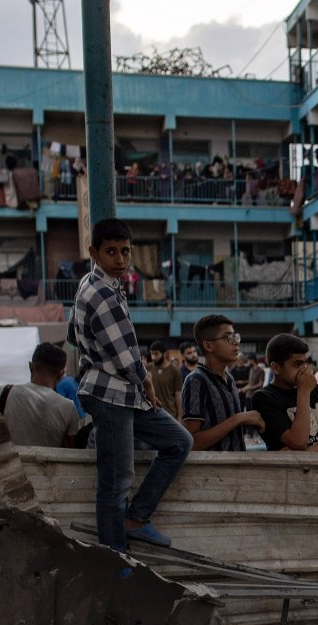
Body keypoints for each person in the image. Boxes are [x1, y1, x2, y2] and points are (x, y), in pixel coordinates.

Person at [70, 217, 189, 551]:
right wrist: (146, 381)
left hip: (123, 394)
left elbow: (73, 335)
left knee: (178, 441)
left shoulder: (95, 285)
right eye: (111, 252)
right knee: (115, 481)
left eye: (125, 252)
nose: (120, 260)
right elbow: (126, 359)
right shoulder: (102, 293)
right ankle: (115, 561)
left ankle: (136, 518)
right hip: (112, 394)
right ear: (94, 252)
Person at [253, 334, 318, 452]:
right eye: (297, 364)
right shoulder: (264, 398)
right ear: (276, 368)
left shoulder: (315, 390)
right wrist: (303, 391)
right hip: (292, 471)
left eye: (305, 362)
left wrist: (307, 454)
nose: (304, 369)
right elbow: (299, 442)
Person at [182, 314, 262, 452]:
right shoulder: (196, 381)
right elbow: (192, 442)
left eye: (235, 336)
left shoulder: (229, 378)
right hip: (214, 470)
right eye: (228, 337)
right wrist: (239, 418)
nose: (236, 342)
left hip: (236, 468)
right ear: (208, 345)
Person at [0, 342, 85, 447]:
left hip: (8, 462)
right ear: (61, 374)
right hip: (48, 463)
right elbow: (71, 450)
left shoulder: (3, 392)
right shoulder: (69, 407)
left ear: (30, 366)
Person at [148, 340, 183, 419]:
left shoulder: (174, 370)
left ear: (163, 354)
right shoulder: (148, 367)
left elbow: (178, 395)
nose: (153, 357)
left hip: (170, 414)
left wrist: (179, 416)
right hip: (153, 413)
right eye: (152, 354)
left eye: (156, 354)